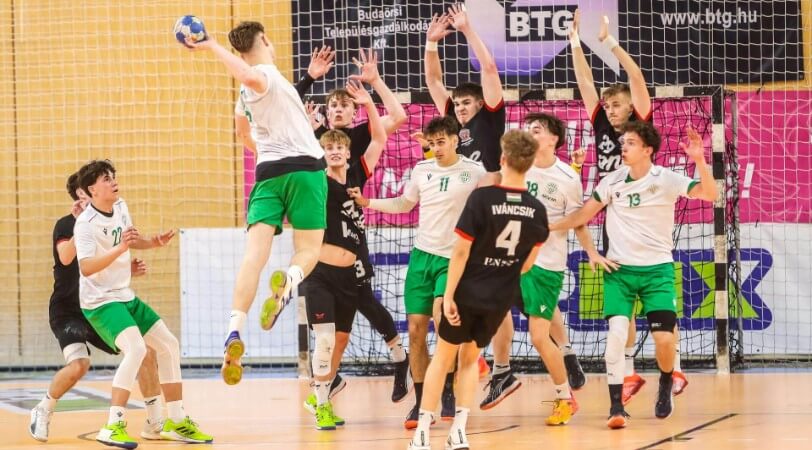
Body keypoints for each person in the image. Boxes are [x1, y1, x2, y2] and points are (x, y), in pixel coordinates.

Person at [185, 21, 328, 385]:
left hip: (268, 174)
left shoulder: (251, 93)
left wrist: (265, 150)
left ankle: (234, 329)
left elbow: (242, 132)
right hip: (305, 171)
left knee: (253, 256)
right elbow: (251, 76)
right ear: (263, 39)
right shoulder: (264, 75)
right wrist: (212, 45)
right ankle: (289, 282)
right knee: (309, 249)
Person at [550, 123, 717, 428]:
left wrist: (700, 160)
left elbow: (710, 193)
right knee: (615, 336)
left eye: (630, 143)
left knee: (664, 340)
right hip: (620, 272)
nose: (623, 147)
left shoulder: (666, 179)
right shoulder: (612, 181)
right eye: (623, 142)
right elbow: (582, 216)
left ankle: (665, 381)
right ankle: (616, 408)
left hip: (657, 271)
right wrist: (548, 227)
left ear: (647, 150)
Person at [569, 9, 688, 400]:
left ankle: (674, 367)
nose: (610, 109)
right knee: (623, 307)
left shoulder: (640, 124)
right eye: (607, 106)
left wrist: (609, 43)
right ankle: (632, 372)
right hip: (614, 218)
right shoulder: (601, 125)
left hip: (648, 216)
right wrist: (575, 42)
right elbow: (585, 83)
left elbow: (636, 79)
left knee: (657, 302)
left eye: (616, 104)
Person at [408, 130, 549, 450]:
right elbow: (527, 264)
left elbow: (460, 252)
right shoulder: (537, 209)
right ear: (529, 164)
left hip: (468, 291)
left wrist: (449, 296)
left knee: (443, 357)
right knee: (471, 360)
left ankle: (422, 434)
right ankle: (459, 431)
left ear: (503, 159)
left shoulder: (483, 199)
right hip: (499, 298)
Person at [349, 116, 486, 429]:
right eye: (432, 143)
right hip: (422, 257)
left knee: (443, 322)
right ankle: (423, 401)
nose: (436, 148)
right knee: (415, 330)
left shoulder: (474, 172)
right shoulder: (422, 170)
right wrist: (368, 201)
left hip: (453, 259)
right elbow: (404, 204)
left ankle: (448, 391)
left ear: (455, 140)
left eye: (442, 142)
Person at [297, 47, 411, 403]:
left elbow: (392, 124)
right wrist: (307, 91)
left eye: (344, 105)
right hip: (323, 240)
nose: (338, 109)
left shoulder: (362, 140)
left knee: (362, 300)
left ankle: (397, 358)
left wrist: (372, 90)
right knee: (332, 327)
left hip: (352, 234)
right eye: (333, 105)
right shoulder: (315, 144)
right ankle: (331, 379)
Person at [74, 160, 211, 448]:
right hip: (99, 301)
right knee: (136, 349)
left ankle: (175, 420)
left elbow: (130, 240)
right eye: (105, 178)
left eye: (113, 176)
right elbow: (86, 267)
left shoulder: (120, 206)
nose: (113, 181)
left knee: (169, 344)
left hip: (124, 295)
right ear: (92, 190)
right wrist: (121, 248)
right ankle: (112, 426)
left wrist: (152, 242)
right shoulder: (85, 223)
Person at [485, 114, 606, 422]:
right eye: (527, 129)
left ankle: (564, 395)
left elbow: (578, 220)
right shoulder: (515, 167)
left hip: (545, 264)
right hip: (512, 260)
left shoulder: (567, 177)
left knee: (539, 337)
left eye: (536, 130)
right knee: (493, 310)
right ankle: (501, 372)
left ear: (553, 139)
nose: (530, 133)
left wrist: (591, 251)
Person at [29, 173, 165, 443]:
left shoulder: (108, 221)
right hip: (68, 311)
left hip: (99, 305)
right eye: (83, 193)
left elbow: (107, 263)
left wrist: (128, 269)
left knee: (145, 352)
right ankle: (43, 409)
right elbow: (66, 257)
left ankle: (154, 420)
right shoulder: (67, 224)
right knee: (79, 365)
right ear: (81, 195)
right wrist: (80, 223)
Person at [297, 80, 387, 430]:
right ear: (322, 152)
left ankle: (323, 397)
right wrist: (308, 129)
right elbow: (299, 156)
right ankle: (321, 404)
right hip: (319, 273)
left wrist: (369, 102)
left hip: (349, 276)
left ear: (348, 153)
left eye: (339, 147)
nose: (334, 151)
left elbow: (379, 139)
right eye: (328, 147)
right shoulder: (315, 179)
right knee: (323, 340)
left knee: (340, 340)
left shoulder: (357, 176)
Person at [424, 5, 505, 183]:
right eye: (457, 104)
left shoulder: (490, 116)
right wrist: (431, 43)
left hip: (488, 192)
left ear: (480, 103)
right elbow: (433, 81)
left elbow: (489, 69)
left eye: (466, 103)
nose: (459, 108)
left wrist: (467, 29)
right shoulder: (452, 118)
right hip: (461, 191)